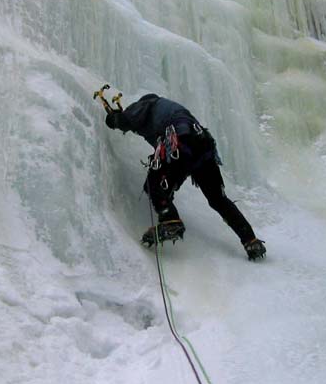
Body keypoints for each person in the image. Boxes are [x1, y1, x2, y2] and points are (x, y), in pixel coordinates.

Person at [105, 93, 266, 261]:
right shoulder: (170, 111)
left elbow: (126, 119)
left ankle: (170, 220)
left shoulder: (149, 104)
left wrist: (114, 119)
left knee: (154, 184)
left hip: (182, 142)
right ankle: (251, 240)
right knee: (218, 199)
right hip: (203, 147)